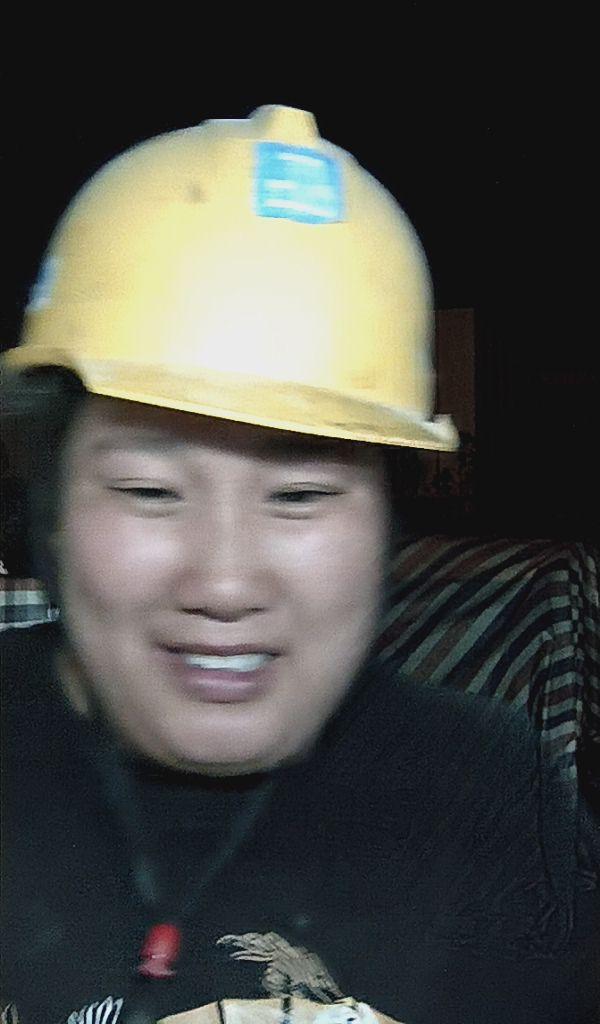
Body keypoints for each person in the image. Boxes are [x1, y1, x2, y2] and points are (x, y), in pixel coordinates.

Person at [1, 105, 598, 1024]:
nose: (225, 583)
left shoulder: (487, 796)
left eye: (300, 495)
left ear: (390, 522)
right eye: (149, 490)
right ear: (51, 512)